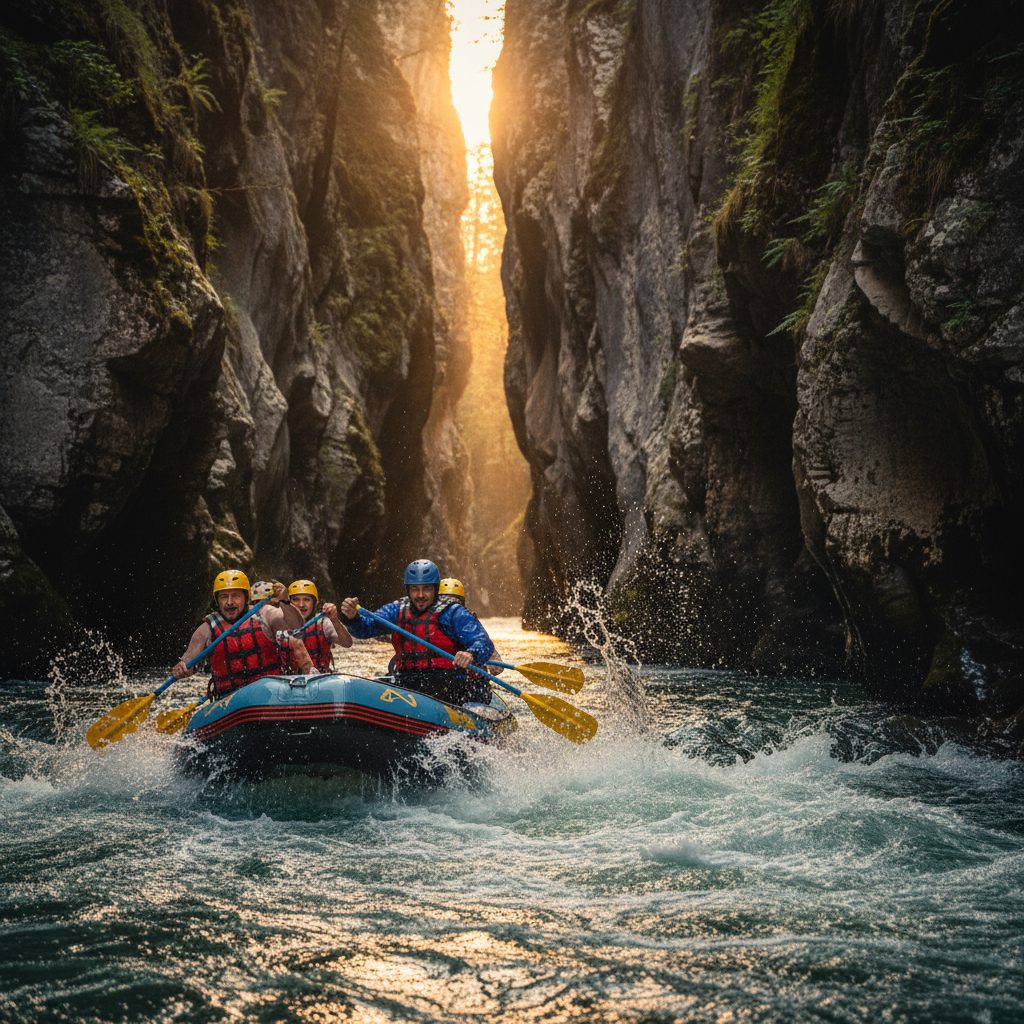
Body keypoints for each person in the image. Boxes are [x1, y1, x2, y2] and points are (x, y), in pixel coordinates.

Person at [340, 559, 495, 705]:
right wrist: (353, 618)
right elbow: (366, 629)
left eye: (426, 588)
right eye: (415, 589)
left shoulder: (453, 613)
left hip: (447, 680)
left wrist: (471, 654)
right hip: (407, 679)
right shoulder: (396, 610)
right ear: (408, 590)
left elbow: (483, 642)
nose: (420, 595)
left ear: (435, 589)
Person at [173, 569, 312, 698]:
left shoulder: (265, 614)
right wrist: (182, 669)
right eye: (224, 597)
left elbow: (297, 625)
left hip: (271, 694)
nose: (229, 602)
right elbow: (188, 662)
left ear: (246, 597)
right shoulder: (207, 629)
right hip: (230, 699)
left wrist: (285, 601)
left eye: (235, 596)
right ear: (217, 600)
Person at [281, 578, 353, 673]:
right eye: (296, 600)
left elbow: (347, 643)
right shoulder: (279, 624)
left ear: (314, 603)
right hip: (289, 679)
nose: (301, 605)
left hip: (319, 678)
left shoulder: (323, 623)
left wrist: (334, 620)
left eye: (307, 600)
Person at [438, 577, 503, 673]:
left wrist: (472, 654)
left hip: (462, 676)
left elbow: (497, 668)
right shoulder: (430, 619)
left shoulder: (468, 622)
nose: (451, 606)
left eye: (454, 602)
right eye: (446, 601)